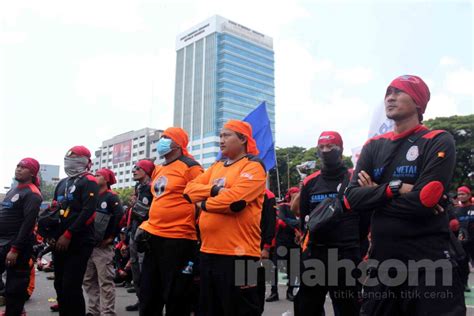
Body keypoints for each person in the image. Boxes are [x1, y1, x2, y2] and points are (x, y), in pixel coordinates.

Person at [344, 75, 466, 315]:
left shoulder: (437, 140)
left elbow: (424, 200)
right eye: (388, 92)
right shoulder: (373, 145)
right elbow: (350, 200)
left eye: (399, 92)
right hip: (383, 264)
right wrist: (395, 188)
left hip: (429, 264)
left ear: (418, 102)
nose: (390, 97)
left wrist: (375, 194)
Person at [184, 120, 267, 316]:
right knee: (208, 310)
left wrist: (203, 203)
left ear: (242, 139)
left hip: (241, 255)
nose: (221, 140)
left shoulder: (254, 166)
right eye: (220, 136)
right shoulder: (216, 166)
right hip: (208, 252)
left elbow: (234, 202)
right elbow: (189, 190)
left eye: (227, 135)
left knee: (242, 310)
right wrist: (214, 189)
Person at [138, 127, 203, 316]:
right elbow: (158, 201)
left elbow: (201, 198)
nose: (162, 141)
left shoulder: (191, 166)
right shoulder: (160, 169)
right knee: (149, 294)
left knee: (177, 297)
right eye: (161, 138)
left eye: (166, 138)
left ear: (177, 143)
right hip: (154, 239)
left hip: (179, 240)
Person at [294, 132, 361, 316]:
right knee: (308, 307)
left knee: (349, 308)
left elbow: (365, 218)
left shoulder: (355, 178)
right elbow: (305, 219)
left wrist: (359, 248)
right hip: (316, 254)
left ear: (341, 149)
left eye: (330, 147)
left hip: (347, 254)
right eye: (321, 147)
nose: (325, 151)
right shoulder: (310, 182)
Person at [51, 146, 98, 316]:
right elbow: (54, 209)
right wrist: (51, 234)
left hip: (79, 241)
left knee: (71, 285)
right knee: (59, 284)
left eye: (75, 159)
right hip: (59, 241)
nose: (70, 162)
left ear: (86, 162)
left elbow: (89, 211)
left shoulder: (89, 181)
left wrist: (69, 234)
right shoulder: (63, 183)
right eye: (68, 159)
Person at [0, 158, 42, 315]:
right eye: (17, 166)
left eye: (23, 167)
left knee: (15, 285)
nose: (18, 169)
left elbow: (28, 224)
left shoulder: (32, 193)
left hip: (16, 246)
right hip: (3, 242)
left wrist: (15, 249)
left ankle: (15, 311)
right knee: (10, 286)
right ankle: (15, 309)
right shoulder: (13, 190)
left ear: (32, 173)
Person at [83, 168, 123, 316]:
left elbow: (120, 216)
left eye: (98, 175)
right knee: (88, 280)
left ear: (106, 179)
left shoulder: (112, 197)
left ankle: (107, 312)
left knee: (105, 281)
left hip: (103, 247)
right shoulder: (91, 195)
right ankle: (93, 310)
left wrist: (111, 237)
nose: (94, 177)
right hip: (88, 245)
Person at [125, 159, 155, 312]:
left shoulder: (152, 188)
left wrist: (136, 204)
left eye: (138, 168)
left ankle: (148, 302)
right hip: (134, 232)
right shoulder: (138, 187)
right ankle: (141, 299)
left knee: (144, 269)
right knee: (135, 268)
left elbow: (147, 212)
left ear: (146, 170)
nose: (134, 171)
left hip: (145, 234)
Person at [266, 187, 300, 302]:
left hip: (295, 242)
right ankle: (273, 291)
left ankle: (290, 292)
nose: (296, 195)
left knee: (293, 267)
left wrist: (294, 223)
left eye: (297, 193)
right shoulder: (283, 206)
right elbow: (282, 220)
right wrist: (296, 226)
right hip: (282, 241)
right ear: (290, 195)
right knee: (275, 267)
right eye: (294, 193)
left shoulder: (300, 208)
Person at [453, 186, 473, 291]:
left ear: (469, 195)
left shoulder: (473, 208)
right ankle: (464, 284)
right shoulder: (456, 210)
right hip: (462, 242)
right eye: (459, 194)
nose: (460, 196)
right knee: (463, 264)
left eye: (463, 194)